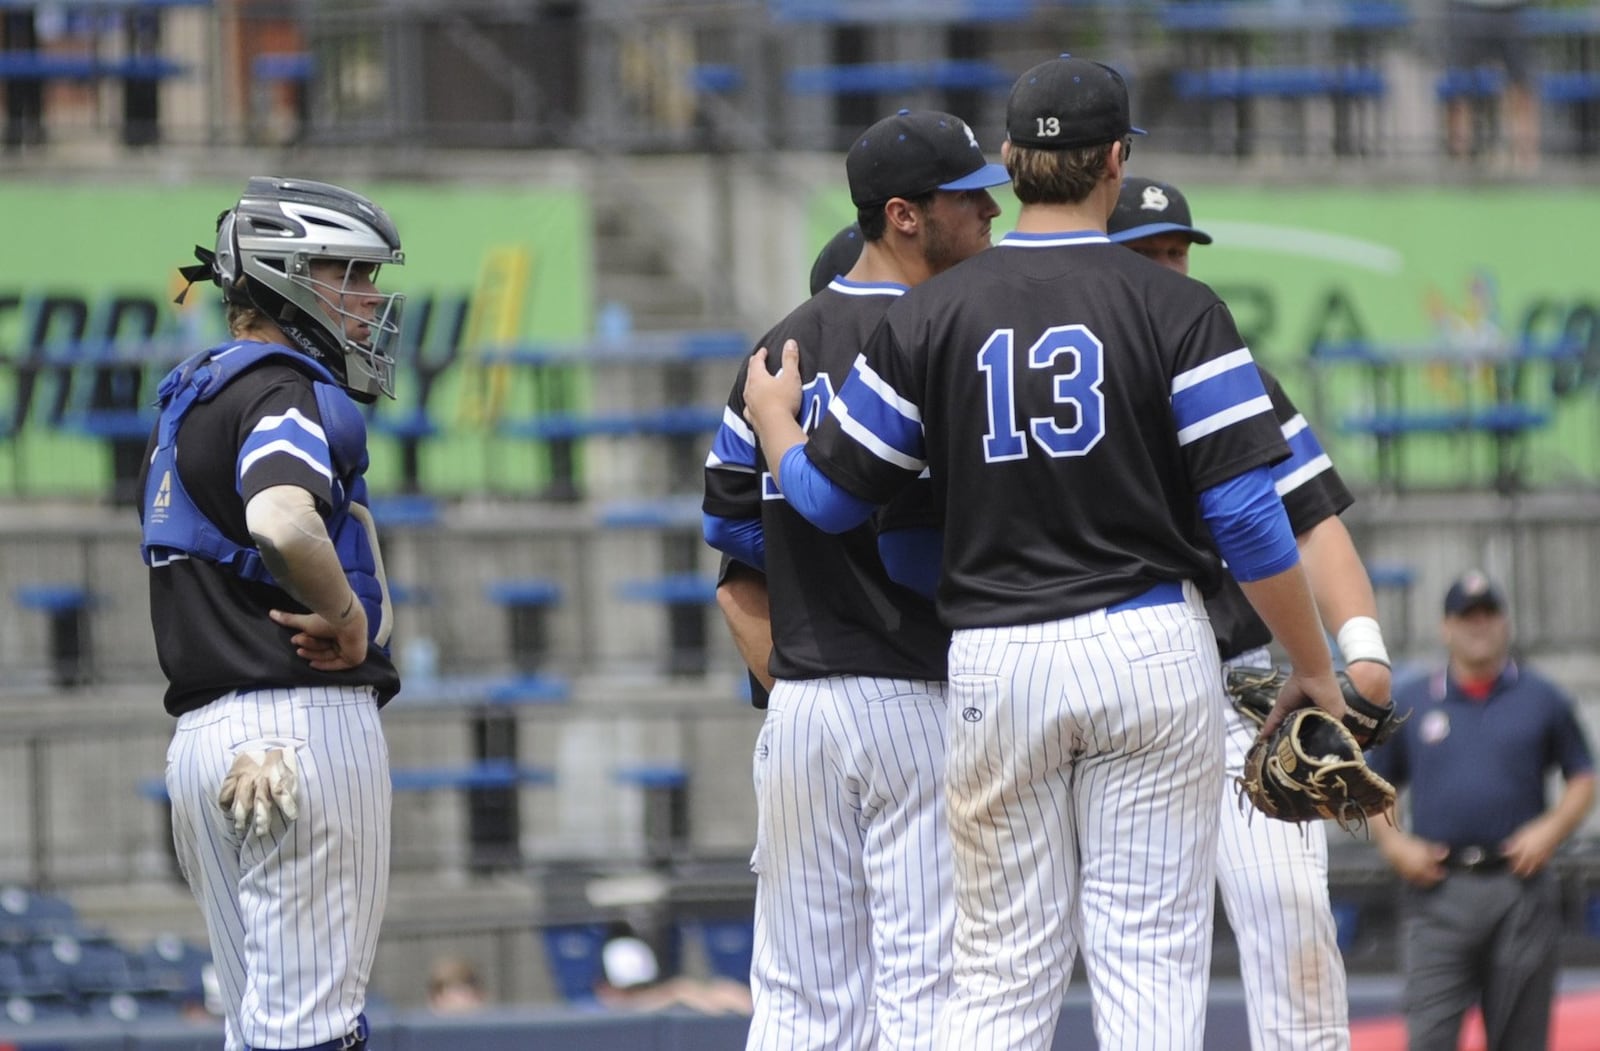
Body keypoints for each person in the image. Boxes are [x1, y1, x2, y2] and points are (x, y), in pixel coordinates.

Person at [741, 55, 1351, 1051]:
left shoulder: (932, 311)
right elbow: (1246, 517)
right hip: (1148, 642)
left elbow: (829, 501)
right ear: (1114, 159)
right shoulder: (1176, 306)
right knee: (1148, 966)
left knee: (997, 983)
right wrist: (1313, 667)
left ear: (1014, 163)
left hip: (996, 656)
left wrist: (777, 424)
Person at [703, 109, 1009, 1050]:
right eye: (967, 198)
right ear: (905, 216)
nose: (990, 211)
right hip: (914, 695)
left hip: (802, 707)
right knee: (924, 989)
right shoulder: (950, 334)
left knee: (798, 997)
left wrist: (797, 649)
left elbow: (729, 538)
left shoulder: (774, 348)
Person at [1108, 175, 1393, 1051]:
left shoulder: (1236, 374)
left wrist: (1364, 651)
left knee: (1295, 924)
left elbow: (1311, 517)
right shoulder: (1087, 376)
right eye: (1145, 254)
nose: (1168, 269)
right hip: (1116, 686)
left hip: (1244, 691)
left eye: (1176, 252)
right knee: (1143, 954)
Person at [140, 176, 406, 1051]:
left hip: (203, 744)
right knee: (315, 1033)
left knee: (256, 1032)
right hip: (300, 725)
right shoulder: (281, 388)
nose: (369, 299)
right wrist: (345, 613)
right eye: (351, 275)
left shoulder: (191, 396)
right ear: (292, 276)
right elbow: (280, 516)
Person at [1367, 571, 1594, 1051]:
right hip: (1436, 890)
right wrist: (1395, 843)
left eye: (1488, 614)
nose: (1479, 626)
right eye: (1466, 616)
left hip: (1519, 889)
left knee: (1521, 1038)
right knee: (1429, 1036)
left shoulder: (1541, 698)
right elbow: (1374, 785)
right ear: (1446, 627)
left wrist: (1550, 831)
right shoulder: (1412, 701)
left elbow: (1582, 776)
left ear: (1505, 622)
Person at [712, 224, 867, 712]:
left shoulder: (771, 380)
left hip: (810, 712)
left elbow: (731, 555)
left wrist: (799, 707)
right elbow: (737, 585)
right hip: (903, 693)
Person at [1442, 0, 1539, 169]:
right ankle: (1458, 161)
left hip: (1512, 10)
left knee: (1522, 86)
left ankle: (1526, 161)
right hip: (1468, 9)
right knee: (1459, 86)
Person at [593, 920, 754, 1016]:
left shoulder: (670, 1003)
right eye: (629, 991)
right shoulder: (589, 1013)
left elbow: (743, 1002)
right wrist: (674, 994)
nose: (640, 996)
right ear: (604, 989)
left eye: (642, 989)